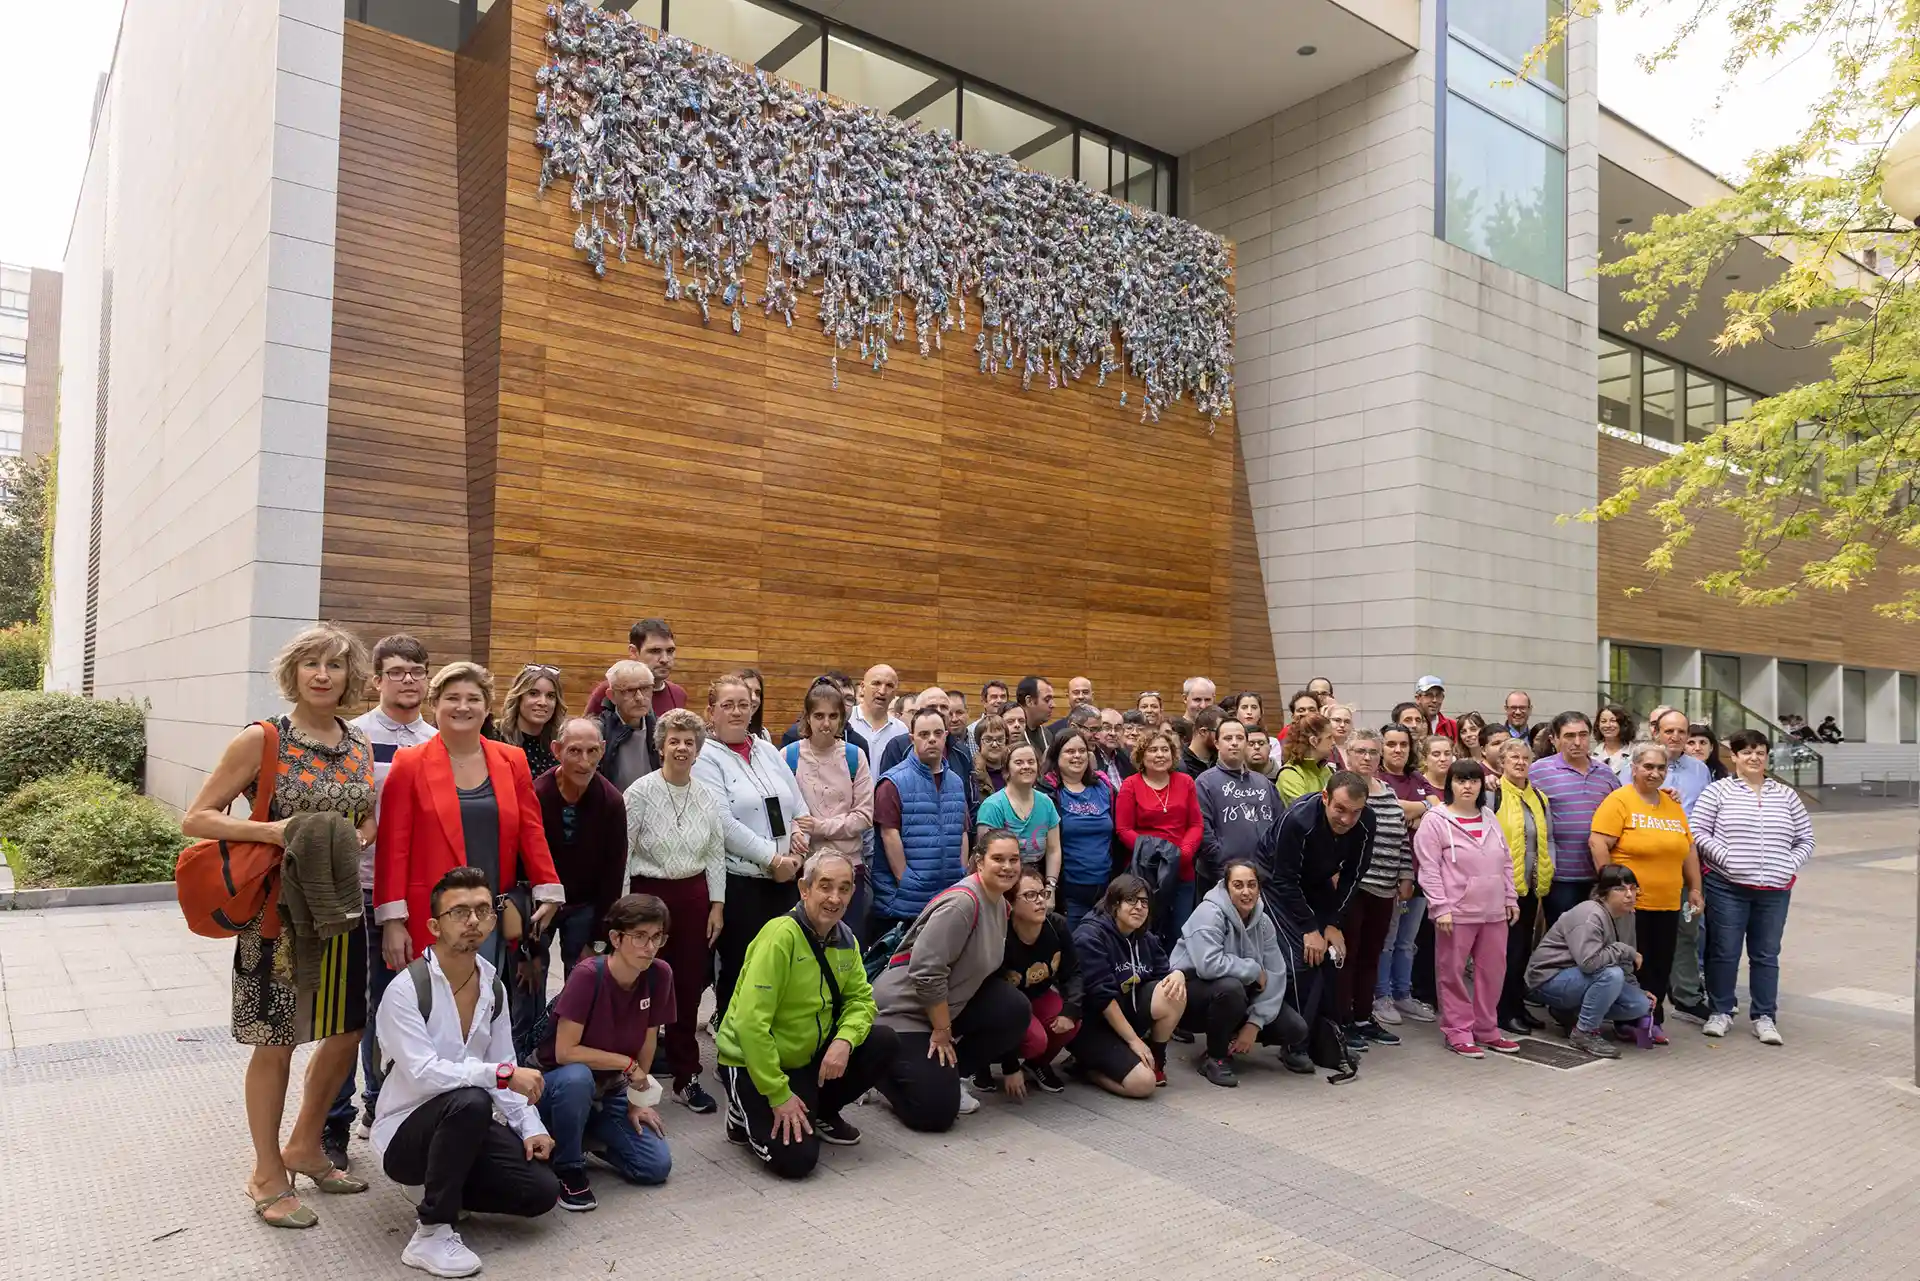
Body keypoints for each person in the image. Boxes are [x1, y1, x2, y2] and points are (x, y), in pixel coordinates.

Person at [181, 623, 379, 1227]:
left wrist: (355, 836)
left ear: (349, 678)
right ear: (292, 673)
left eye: (335, 666)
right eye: (311, 664)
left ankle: (304, 1145)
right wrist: (271, 830)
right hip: (276, 915)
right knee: (277, 1043)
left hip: (339, 910)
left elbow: (365, 818)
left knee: (344, 1033)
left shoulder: (358, 743)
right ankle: (266, 1171)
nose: (323, 675)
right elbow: (198, 819)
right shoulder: (263, 738)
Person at [371, 867, 558, 1273]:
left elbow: (505, 1060)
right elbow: (425, 1073)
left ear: (493, 919)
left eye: (482, 910)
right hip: (405, 1131)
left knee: (541, 1192)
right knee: (470, 1099)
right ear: (434, 925)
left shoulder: (493, 986)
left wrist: (531, 1126)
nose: (472, 921)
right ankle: (432, 1231)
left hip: (465, 1124)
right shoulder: (406, 990)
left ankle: (442, 1186)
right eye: (459, 912)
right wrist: (500, 1076)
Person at [716, 851, 900, 1176]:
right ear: (804, 889)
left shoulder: (846, 939)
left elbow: (861, 1001)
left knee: (881, 1040)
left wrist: (844, 1040)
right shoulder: (780, 937)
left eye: (844, 889)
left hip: (805, 1056)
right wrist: (778, 1093)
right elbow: (750, 1023)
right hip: (755, 1060)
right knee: (797, 1162)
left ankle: (821, 1111)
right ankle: (739, 1113)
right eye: (825, 886)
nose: (834, 898)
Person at [377, 661, 564, 979]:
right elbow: (393, 849)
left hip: (489, 914)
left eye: (473, 699)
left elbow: (531, 830)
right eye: (452, 698)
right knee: (432, 1014)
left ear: (487, 706)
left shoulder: (512, 760)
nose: (462, 707)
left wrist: (547, 886)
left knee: (482, 1010)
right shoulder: (408, 763)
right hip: (430, 916)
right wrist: (393, 921)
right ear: (434, 704)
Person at [326, 632, 436, 1169]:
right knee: (348, 1011)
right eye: (396, 671)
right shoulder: (354, 738)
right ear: (377, 680)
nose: (408, 679)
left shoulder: (440, 740)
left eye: (416, 670)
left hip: (415, 898)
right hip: (358, 892)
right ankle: (333, 1123)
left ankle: (383, 1106)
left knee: (400, 1011)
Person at [872, 830, 1030, 1128]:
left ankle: (951, 1074)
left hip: (942, 1007)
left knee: (1014, 1008)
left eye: (1014, 859)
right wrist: (942, 1029)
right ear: (979, 862)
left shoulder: (999, 903)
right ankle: (878, 1072)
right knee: (935, 1114)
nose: (1007, 867)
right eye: (998, 859)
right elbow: (927, 971)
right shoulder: (963, 903)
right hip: (903, 1012)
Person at [532, 893, 676, 1209]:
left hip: (610, 1088)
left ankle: (587, 1134)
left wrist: (638, 1101)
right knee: (577, 1078)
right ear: (615, 937)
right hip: (554, 1086)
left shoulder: (659, 974)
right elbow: (565, 1051)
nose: (649, 947)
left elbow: (648, 1042)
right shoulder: (588, 975)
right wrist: (626, 1064)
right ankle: (569, 1169)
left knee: (655, 1166)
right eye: (639, 937)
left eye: (656, 937)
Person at [626, 707, 727, 1114]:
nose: (682, 747)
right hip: (647, 897)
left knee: (686, 990)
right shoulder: (639, 793)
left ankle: (686, 1076)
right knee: (638, 988)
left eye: (689, 741)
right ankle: (629, 1078)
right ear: (661, 746)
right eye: (674, 740)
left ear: (698, 749)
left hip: (693, 899)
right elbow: (624, 853)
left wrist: (717, 904)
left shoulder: (706, 795)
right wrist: (623, 912)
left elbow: (716, 853)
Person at [694, 673, 811, 1024]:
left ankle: (772, 1040)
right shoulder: (704, 756)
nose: (736, 712)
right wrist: (773, 858)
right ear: (711, 711)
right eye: (727, 705)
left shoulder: (766, 749)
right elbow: (723, 823)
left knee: (782, 967)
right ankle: (732, 1054)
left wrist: (797, 851)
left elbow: (799, 808)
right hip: (741, 883)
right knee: (740, 969)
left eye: (743, 704)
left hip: (786, 879)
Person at [1692, 730, 1814, 1045]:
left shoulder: (1786, 795)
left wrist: (1789, 864)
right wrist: (1728, 859)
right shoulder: (1717, 792)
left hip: (1774, 890)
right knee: (1724, 951)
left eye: (1759, 751)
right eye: (1745, 752)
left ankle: (1764, 1017)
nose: (1753, 757)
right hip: (1727, 886)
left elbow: (1805, 839)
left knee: (1766, 954)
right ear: (1733, 756)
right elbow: (1698, 832)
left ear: (1766, 756)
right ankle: (1720, 1011)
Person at [528, 718, 628, 1049]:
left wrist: (599, 937)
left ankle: (569, 1046)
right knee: (529, 977)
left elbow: (613, 873)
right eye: (574, 751)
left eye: (591, 751)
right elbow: (523, 857)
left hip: (585, 902)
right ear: (557, 751)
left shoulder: (611, 801)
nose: (583, 762)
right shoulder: (538, 793)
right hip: (540, 901)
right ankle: (525, 1048)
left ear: (602, 752)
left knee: (583, 977)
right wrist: (528, 947)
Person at [1589, 741, 1702, 1036]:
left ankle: (1654, 1019)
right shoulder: (1619, 800)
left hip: (1668, 901)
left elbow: (1688, 848)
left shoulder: (1672, 804)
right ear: (1634, 767)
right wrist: (1610, 886)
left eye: (1661, 767)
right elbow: (1598, 842)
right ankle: (1630, 1020)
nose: (1654, 773)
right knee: (1634, 965)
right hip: (1631, 906)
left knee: (1661, 966)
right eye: (1648, 766)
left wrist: (1695, 888)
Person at [1415, 761, 1519, 1058]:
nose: (1468, 786)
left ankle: (1487, 1029)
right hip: (1456, 913)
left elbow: (1505, 860)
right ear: (1451, 784)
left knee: (1492, 972)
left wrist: (1509, 898)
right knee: (1452, 973)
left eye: (1473, 780)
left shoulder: (1489, 816)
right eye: (1461, 780)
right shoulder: (1435, 820)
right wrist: (1440, 906)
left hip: (1494, 911)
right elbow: (1429, 867)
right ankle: (1458, 1031)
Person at [1173, 859, 1306, 1085]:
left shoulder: (1263, 921)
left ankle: (1230, 1037)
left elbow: (1275, 973)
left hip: (1237, 994)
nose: (1246, 892)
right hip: (1191, 994)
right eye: (1238, 885)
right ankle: (1216, 1058)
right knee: (1231, 988)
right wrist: (1253, 970)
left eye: (1252, 885)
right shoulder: (1209, 912)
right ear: (1226, 888)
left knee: (1295, 1029)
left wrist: (1254, 1023)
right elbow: (1208, 965)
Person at [1262, 774, 1374, 1042]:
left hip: (1316, 880)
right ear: (1325, 798)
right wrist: (1310, 927)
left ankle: (1325, 1031)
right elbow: (1284, 880)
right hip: (1273, 880)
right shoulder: (1299, 820)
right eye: (1340, 809)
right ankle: (1293, 1041)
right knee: (1304, 957)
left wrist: (1333, 923)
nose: (1347, 820)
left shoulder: (1367, 822)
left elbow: (1353, 876)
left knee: (1334, 955)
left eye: (1356, 812)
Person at [1070, 875, 1189, 1096]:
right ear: (1114, 904)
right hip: (1091, 1026)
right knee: (1143, 1085)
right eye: (1131, 901)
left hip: (1127, 1018)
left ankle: (1157, 1058)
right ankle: (1086, 1069)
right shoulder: (1090, 937)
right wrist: (1134, 1041)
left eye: (1144, 902)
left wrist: (1178, 974)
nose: (1139, 907)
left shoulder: (1145, 938)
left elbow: (1164, 975)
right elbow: (1102, 999)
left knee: (1175, 989)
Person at [1524, 865, 1651, 1058]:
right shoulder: (1590, 914)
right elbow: (1589, 963)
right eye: (1620, 889)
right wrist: (1625, 950)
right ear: (1603, 893)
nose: (1629, 895)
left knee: (1639, 1003)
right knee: (1611, 975)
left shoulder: (1627, 914)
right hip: (1547, 979)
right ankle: (1584, 1032)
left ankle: (1567, 1013)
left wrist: (1636, 988)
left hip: (1581, 978)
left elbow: (1624, 964)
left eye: (1633, 888)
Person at [786, 680, 877, 941]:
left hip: (848, 866)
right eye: (819, 716)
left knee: (847, 942)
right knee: (804, 942)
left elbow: (864, 815)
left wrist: (820, 827)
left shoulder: (854, 756)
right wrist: (797, 833)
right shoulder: (789, 756)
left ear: (841, 718)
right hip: (806, 869)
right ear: (807, 717)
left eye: (833, 716)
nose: (826, 723)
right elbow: (785, 812)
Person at [1339, 728, 1413, 1047]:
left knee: (1372, 956)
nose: (1366, 758)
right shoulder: (1342, 791)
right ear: (1348, 754)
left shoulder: (1388, 793)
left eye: (1372, 752)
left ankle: (1363, 1016)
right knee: (1349, 957)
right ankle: (1342, 1021)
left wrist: (1406, 874)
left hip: (1385, 889)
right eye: (1359, 751)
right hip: (1355, 889)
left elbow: (1401, 837)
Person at [871, 707, 972, 938]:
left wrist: (961, 871)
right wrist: (905, 879)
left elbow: (962, 830)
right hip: (906, 905)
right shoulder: (892, 782)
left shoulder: (956, 781)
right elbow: (889, 834)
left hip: (948, 896)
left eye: (938, 733)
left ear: (946, 736)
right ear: (912, 738)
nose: (932, 740)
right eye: (924, 734)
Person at [984, 864, 1083, 1094]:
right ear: (1010, 903)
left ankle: (1036, 1064)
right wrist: (1009, 1066)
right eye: (1030, 895)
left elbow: (1073, 972)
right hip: (1003, 1006)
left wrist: (1071, 1009)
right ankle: (983, 1061)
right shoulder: (1001, 936)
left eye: (1043, 893)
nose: (1041, 901)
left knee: (1072, 1020)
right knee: (1035, 1039)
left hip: (1038, 995)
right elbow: (991, 997)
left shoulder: (1056, 925)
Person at [1530, 712, 1622, 928]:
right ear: (1555, 739)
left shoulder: (1606, 774)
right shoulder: (1538, 772)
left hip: (1597, 875)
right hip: (1560, 877)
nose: (1577, 742)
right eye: (1569, 736)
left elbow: (1625, 806)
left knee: (1594, 936)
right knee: (1563, 938)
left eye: (1583, 735)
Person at [1650, 708, 1712, 1022]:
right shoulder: (1637, 766)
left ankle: (1687, 995)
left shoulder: (1700, 771)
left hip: (1686, 863)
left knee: (1687, 930)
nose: (1675, 737)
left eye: (1681, 732)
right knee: (1647, 935)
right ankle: (1646, 1000)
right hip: (1647, 867)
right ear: (1655, 732)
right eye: (1668, 731)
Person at [1373, 724, 1438, 1026]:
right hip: (1389, 873)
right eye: (1391, 744)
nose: (1398, 749)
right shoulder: (1377, 780)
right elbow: (1391, 807)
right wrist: (1421, 809)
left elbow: (1439, 809)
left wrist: (1423, 813)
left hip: (1421, 873)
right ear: (1382, 748)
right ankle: (1381, 995)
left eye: (1403, 744)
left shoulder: (1417, 779)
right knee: (1386, 940)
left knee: (1407, 941)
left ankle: (1403, 993)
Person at [1488, 737, 1553, 1036]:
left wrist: (1547, 872)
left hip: (1530, 888)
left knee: (1522, 951)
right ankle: (1502, 1010)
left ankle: (1516, 1005)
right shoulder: (1493, 794)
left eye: (1525, 758)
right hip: (1502, 890)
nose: (1519, 762)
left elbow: (1547, 838)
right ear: (1501, 762)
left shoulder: (1539, 797)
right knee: (1505, 953)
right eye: (1513, 757)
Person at [1115, 726, 1203, 948]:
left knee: (1180, 933)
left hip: (1182, 871)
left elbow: (1195, 824)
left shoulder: (1186, 782)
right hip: (1145, 872)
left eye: (1165, 749)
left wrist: (1183, 853)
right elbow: (1123, 829)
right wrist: (1153, 855)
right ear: (1142, 756)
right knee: (1146, 933)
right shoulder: (1130, 785)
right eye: (1153, 750)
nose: (1160, 755)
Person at [1193, 718, 1278, 903]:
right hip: (1221, 879)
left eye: (1239, 738)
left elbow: (1279, 825)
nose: (1234, 742)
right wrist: (1222, 864)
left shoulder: (1263, 782)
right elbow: (1202, 830)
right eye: (1227, 738)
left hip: (1262, 878)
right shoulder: (1204, 782)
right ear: (1216, 743)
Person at [1042, 728, 1119, 927]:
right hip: (1069, 891)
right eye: (1069, 751)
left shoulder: (1104, 787)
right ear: (1056, 755)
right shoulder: (1048, 790)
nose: (1077, 756)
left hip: (1105, 887)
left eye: (1082, 751)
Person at [976, 741, 1062, 887]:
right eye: (1019, 762)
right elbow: (988, 856)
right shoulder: (993, 806)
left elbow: (1054, 850)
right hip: (1002, 879)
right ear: (1006, 770)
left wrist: (1050, 886)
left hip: (1037, 879)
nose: (1026, 766)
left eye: (1031, 762)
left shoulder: (1046, 803)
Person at [584, 618, 688, 718]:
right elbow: (586, 733)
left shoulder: (678, 694)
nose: (664, 659)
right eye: (655, 651)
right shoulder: (611, 690)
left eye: (670, 651)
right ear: (633, 652)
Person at [490, 664, 565, 780]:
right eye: (533, 694)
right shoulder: (494, 737)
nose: (543, 702)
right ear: (519, 698)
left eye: (550, 696)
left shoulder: (561, 744)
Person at [596, 660, 658, 791]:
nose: (640, 697)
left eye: (646, 688)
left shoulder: (661, 731)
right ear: (612, 696)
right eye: (629, 690)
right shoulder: (600, 733)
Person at [850, 665, 908, 767]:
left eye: (889, 685)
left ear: (895, 692)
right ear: (862, 688)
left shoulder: (901, 730)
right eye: (876, 683)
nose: (882, 691)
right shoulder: (847, 720)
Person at [1276, 712, 1336, 806]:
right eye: (1329, 737)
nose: (1333, 742)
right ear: (1314, 741)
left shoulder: (1327, 770)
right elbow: (1303, 813)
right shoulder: (1289, 775)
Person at [972, 711, 1014, 796]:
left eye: (1000, 739)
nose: (994, 744)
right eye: (988, 740)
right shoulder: (971, 772)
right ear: (978, 742)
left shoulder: (1014, 768)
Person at [1014, 675, 1056, 758]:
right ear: (1029, 701)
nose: (1053, 705)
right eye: (1047, 700)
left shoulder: (1047, 734)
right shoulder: (1013, 734)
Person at [1094, 707, 1135, 786]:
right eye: (1107, 728)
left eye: (1117, 728)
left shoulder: (1125, 758)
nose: (1113, 733)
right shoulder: (1089, 759)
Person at [1595, 704, 1635, 781]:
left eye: (1613, 721)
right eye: (1603, 721)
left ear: (1623, 724)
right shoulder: (1593, 755)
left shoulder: (1636, 753)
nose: (1608, 725)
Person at [1181, 705, 1224, 777]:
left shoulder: (1221, 762)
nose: (1225, 738)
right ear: (1203, 732)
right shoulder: (1179, 764)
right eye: (1220, 732)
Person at [1413, 675, 1458, 741]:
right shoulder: (1410, 725)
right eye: (1429, 695)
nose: (1435, 700)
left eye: (1438, 695)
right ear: (1418, 698)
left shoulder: (1452, 726)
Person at [1324, 704, 1354, 769]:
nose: (1342, 725)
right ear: (1327, 721)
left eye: (1347, 721)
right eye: (1337, 720)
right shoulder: (1322, 750)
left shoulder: (1355, 749)